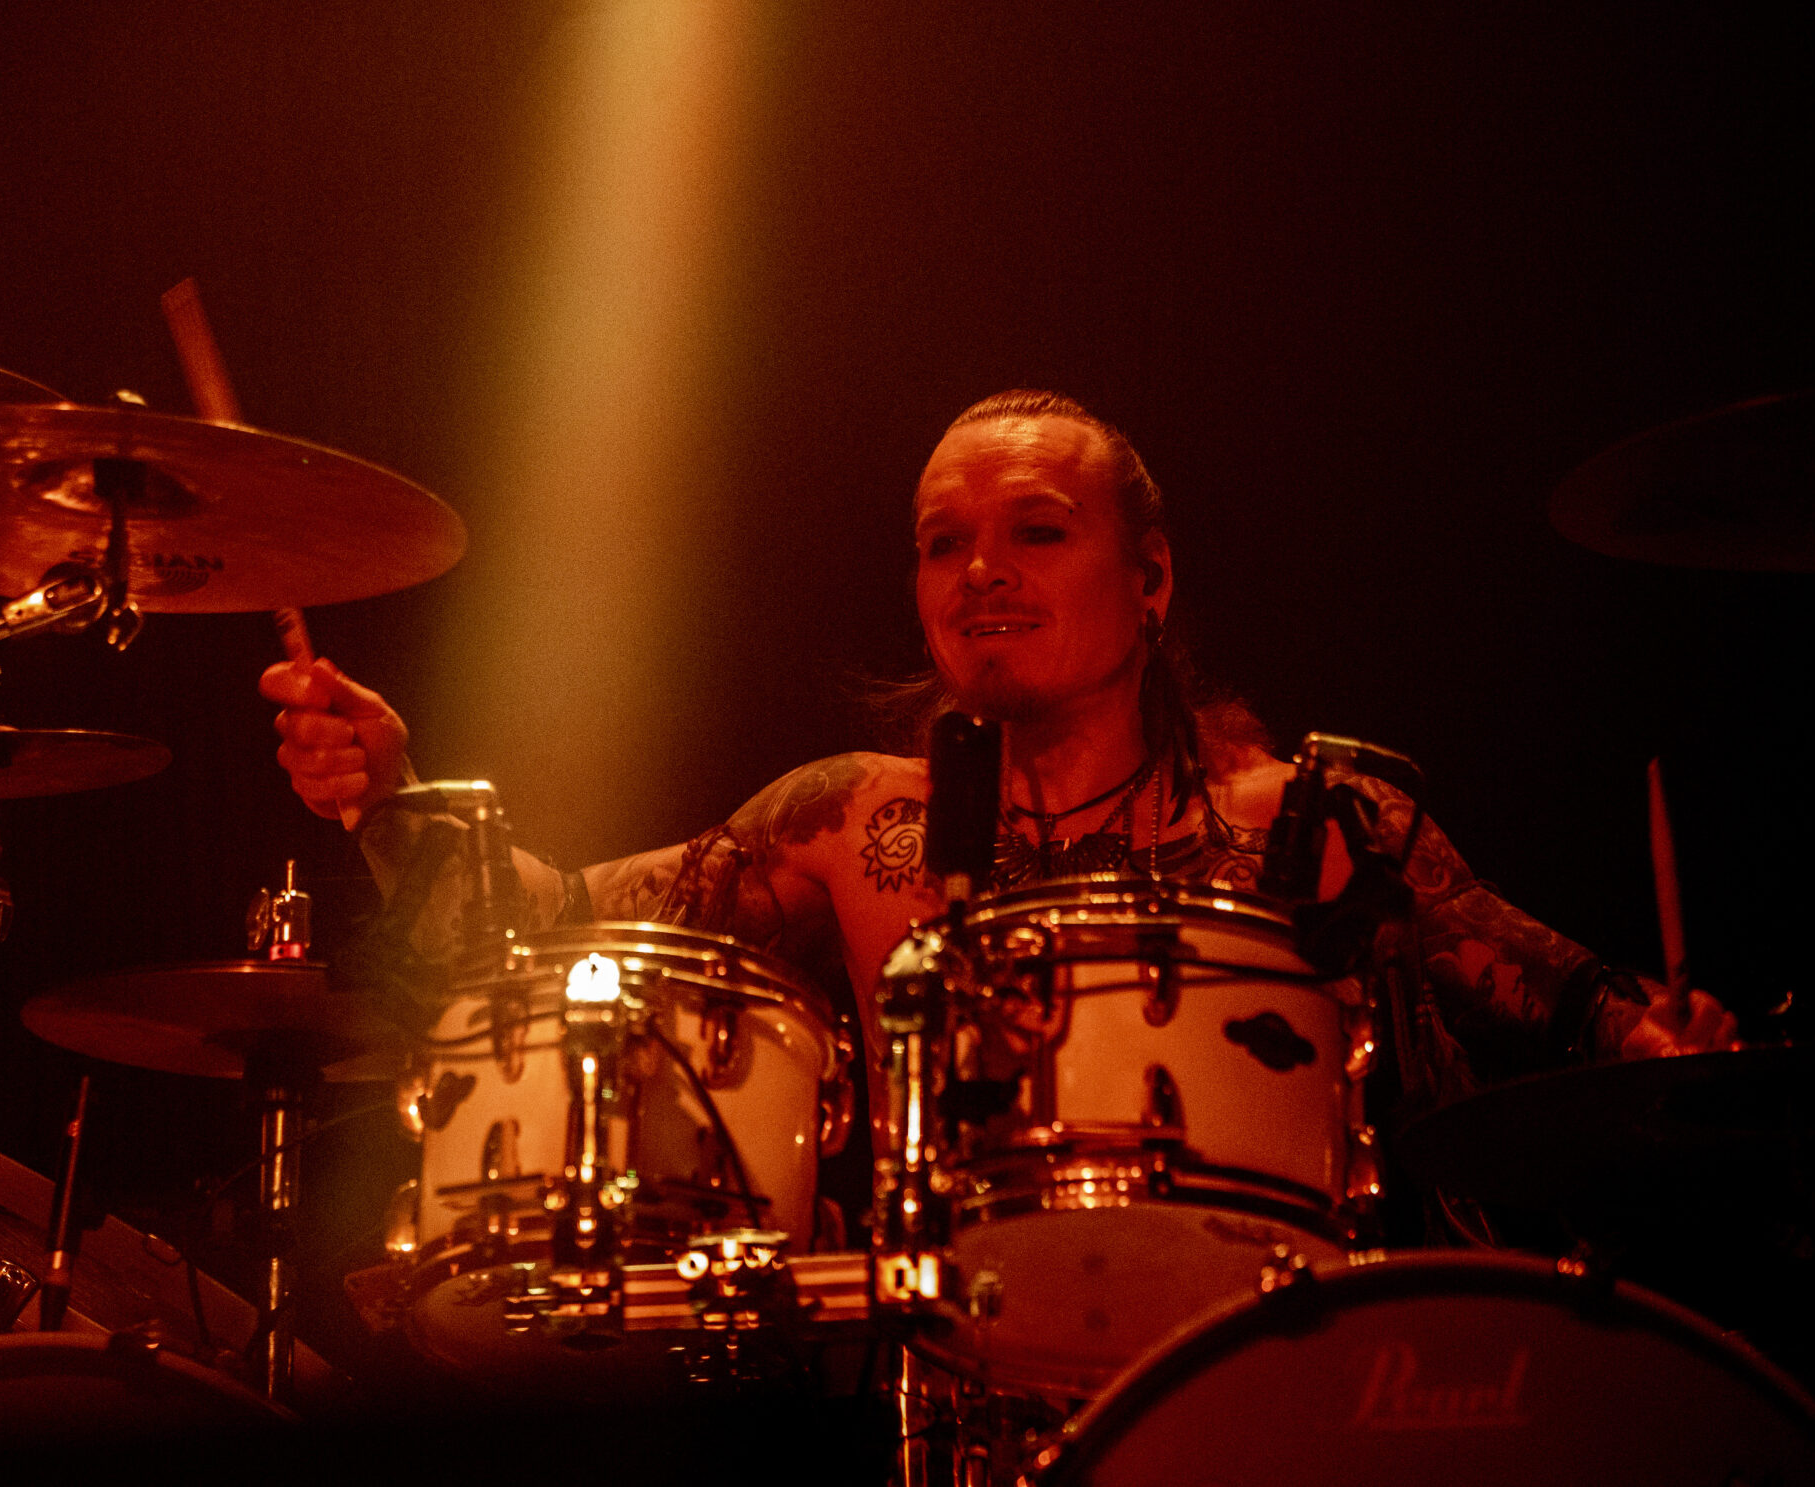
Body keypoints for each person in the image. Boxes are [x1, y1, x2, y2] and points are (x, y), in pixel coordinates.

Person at [260, 389, 1736, 1113]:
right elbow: (541, 931)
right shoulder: (849, 825)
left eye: (1037, 531)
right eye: (941, 544)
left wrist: (1659, 1041)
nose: (981, 573)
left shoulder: (1314, 820)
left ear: (1151, 579)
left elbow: (1569, 1002)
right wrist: (391, 797)